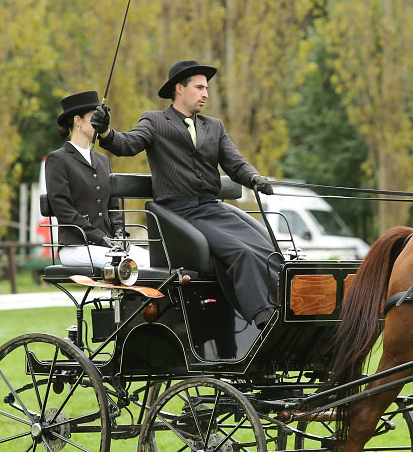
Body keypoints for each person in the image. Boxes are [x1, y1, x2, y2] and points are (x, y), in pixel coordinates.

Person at [92, 60, 278, 326]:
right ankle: (263, 316)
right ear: (179, 88)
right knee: (242, 252)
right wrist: (107, 131)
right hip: (179, 213)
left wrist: (255, 178)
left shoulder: (214, 126)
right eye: (200, 87)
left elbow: (235, 164)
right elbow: (128, 144)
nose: (206, 94)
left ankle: (285, 307)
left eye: (207, 88)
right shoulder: (155, 121)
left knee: (267, 249)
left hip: (212, 209)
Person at [46, 90, 149, 268]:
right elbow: (63, 210)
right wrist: (99, 237)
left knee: (151, 261)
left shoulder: (102, 160)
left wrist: (118, 232)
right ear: (77, 120)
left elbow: (113, 206)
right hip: (76, 247)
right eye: (95, 117)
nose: (99, 122)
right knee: (127, 264)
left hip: (108, 246)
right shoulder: (58, 159)